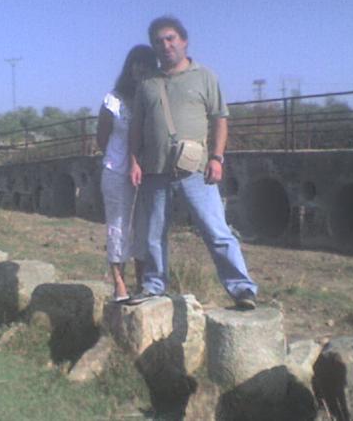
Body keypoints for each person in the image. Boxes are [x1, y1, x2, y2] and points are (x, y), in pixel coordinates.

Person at [128, 16, 258, 309]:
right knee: (153, 235)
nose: (166, 45)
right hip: (154, 170)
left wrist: (217, 158)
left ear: (184, 41)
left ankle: (242, 289)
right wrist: (134, 161)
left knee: (216, 231)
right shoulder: (147, 84)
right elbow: (136, 128)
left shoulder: (205, 77)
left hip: (195, 170)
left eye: (171, 38)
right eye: (159, 41)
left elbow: (220, 119)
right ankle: (153, 286)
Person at [97, 45, 158, 302]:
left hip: (150, 171)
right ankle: (119, 283)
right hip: (116, 170)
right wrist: (121, 159)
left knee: (145, 227)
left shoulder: (154, 98)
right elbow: (102, 138)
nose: (141, 68)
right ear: (129, 66)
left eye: (147, 64)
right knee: (118, 225)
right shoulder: (113, 100)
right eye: (137, 62)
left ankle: (142, 281)